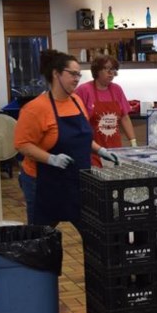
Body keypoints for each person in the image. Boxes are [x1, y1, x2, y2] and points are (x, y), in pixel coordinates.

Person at [14, 49, 118, 226]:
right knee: (43, 237)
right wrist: (51, 159)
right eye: (72, 74)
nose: (77, 79)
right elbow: (22, 144)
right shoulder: (35, 108)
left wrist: (99, 150)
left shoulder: (77, 101)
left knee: (91, 231)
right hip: (42, 184)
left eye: (79, 74)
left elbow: (82, 137)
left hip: (76, 180)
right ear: (56, 74)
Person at [75, 54, 137, 166]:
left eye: (113, 69)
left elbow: (124, 117)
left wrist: (133, 142)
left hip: (115, 151)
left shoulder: (117, 89)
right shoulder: (83, 90)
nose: (111, 73)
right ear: (97, 70)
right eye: (107, 69)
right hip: (92, 151)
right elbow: (77, 122)